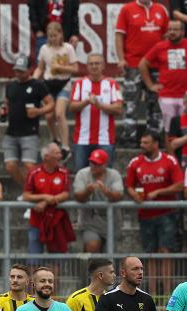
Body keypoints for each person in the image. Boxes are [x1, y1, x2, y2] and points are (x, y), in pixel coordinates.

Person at [125, 131, 184, 295]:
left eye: (146, 142)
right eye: (141, 142)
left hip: (167, 213)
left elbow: (179, 185)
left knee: (165, 253)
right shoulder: (135, 162)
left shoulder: (169, 160)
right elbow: (129, 185)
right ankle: (151, 295)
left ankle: (166, 295)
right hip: (145, 215)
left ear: (155, 144)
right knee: (150, 254)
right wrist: (133, 195)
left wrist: (159, 192)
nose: (142, 145)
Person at [116, 0, 168, 144]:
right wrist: (121, 59)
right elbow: (119, 35)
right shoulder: (127, 9)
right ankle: (129, 137)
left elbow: (165, 37)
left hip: (157, 65)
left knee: (156, 104)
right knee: (131, 103)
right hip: (133, 64)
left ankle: (154, 138)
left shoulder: (161, 9)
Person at [3, 55, 53, 187]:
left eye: (21, 71)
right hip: (11, 132)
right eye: (16, 71)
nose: (18, 74)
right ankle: (27, 189)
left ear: (30, 70)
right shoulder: (10, 85)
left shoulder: (37, 85)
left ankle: (32, 191)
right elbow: (6, 103)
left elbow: (50, 104)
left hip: (29, 132)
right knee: (10, 166)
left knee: (29, 165)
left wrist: (38, 111)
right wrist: (2, 110)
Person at [68, 54, 123, 171]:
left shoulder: (112, 84)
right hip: (82, 139)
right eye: (91, 64)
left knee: (105, 177)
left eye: (97, 63)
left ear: (103, 66)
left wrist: (99, 105)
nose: (94, 66)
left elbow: (118, 109)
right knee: (81, 177)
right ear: (87, 66)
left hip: (105, 139)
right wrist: (87, 101)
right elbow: (72, 107)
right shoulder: (79, 84)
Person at [33, 22, 79, 159]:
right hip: (48, 83)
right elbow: (40, 67)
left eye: (55, 35)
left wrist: (61, 68)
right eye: (50, 36)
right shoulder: (44, 49)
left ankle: (65, 146)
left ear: (61, 35)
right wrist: (34, 79)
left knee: (59, 113)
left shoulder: (68, 48)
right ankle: (55, 138)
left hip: (63, 83)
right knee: (48, 116)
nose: (53, 38)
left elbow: (75, 69)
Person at [22, 143, 72, 255]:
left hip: (56, 221)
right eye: (57, 153)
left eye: (60, 152)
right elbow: (26, 195)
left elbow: (66, 194)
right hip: (36, 221)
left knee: (56, 259)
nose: (60, 156)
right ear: (46, 156)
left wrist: (46, 201)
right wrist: (45, 197)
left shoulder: (64, 172)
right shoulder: (34, 172)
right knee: (34, 259)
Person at [72, 149, 124, 252]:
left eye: (97, 164)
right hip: (90, 221)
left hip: (112, 222)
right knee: (93, 245)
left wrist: (106, 191)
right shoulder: (82, 174)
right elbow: (78, 197)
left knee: (109, 257)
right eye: (92, 162)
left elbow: (119, 195)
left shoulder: (114, 175)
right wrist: (88, 191)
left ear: (105, 165)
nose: (93, 166)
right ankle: (91, 267)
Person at [141, 20, 187, 134]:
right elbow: (143, 64)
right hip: (167, 95)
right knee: (169, 131)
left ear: (182, 31)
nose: (172, 32)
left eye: (175, 30)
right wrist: (150, 85)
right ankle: (170, 152)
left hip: (185, 95)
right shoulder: (160, 46)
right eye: (170, 29)